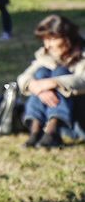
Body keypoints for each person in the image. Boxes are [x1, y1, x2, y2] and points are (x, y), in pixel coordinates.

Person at [16, 14, 85, 149]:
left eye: (52, 39)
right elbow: (23, 77)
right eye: (44, 39)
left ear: (67, 37)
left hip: (79, 119)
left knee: (60, 73)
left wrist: (55, 82)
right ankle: (36, 131)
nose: (48, 45)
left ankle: (52, 129)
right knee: (41, 73)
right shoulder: (47, 54)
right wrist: (35, 86)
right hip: (65, 119)